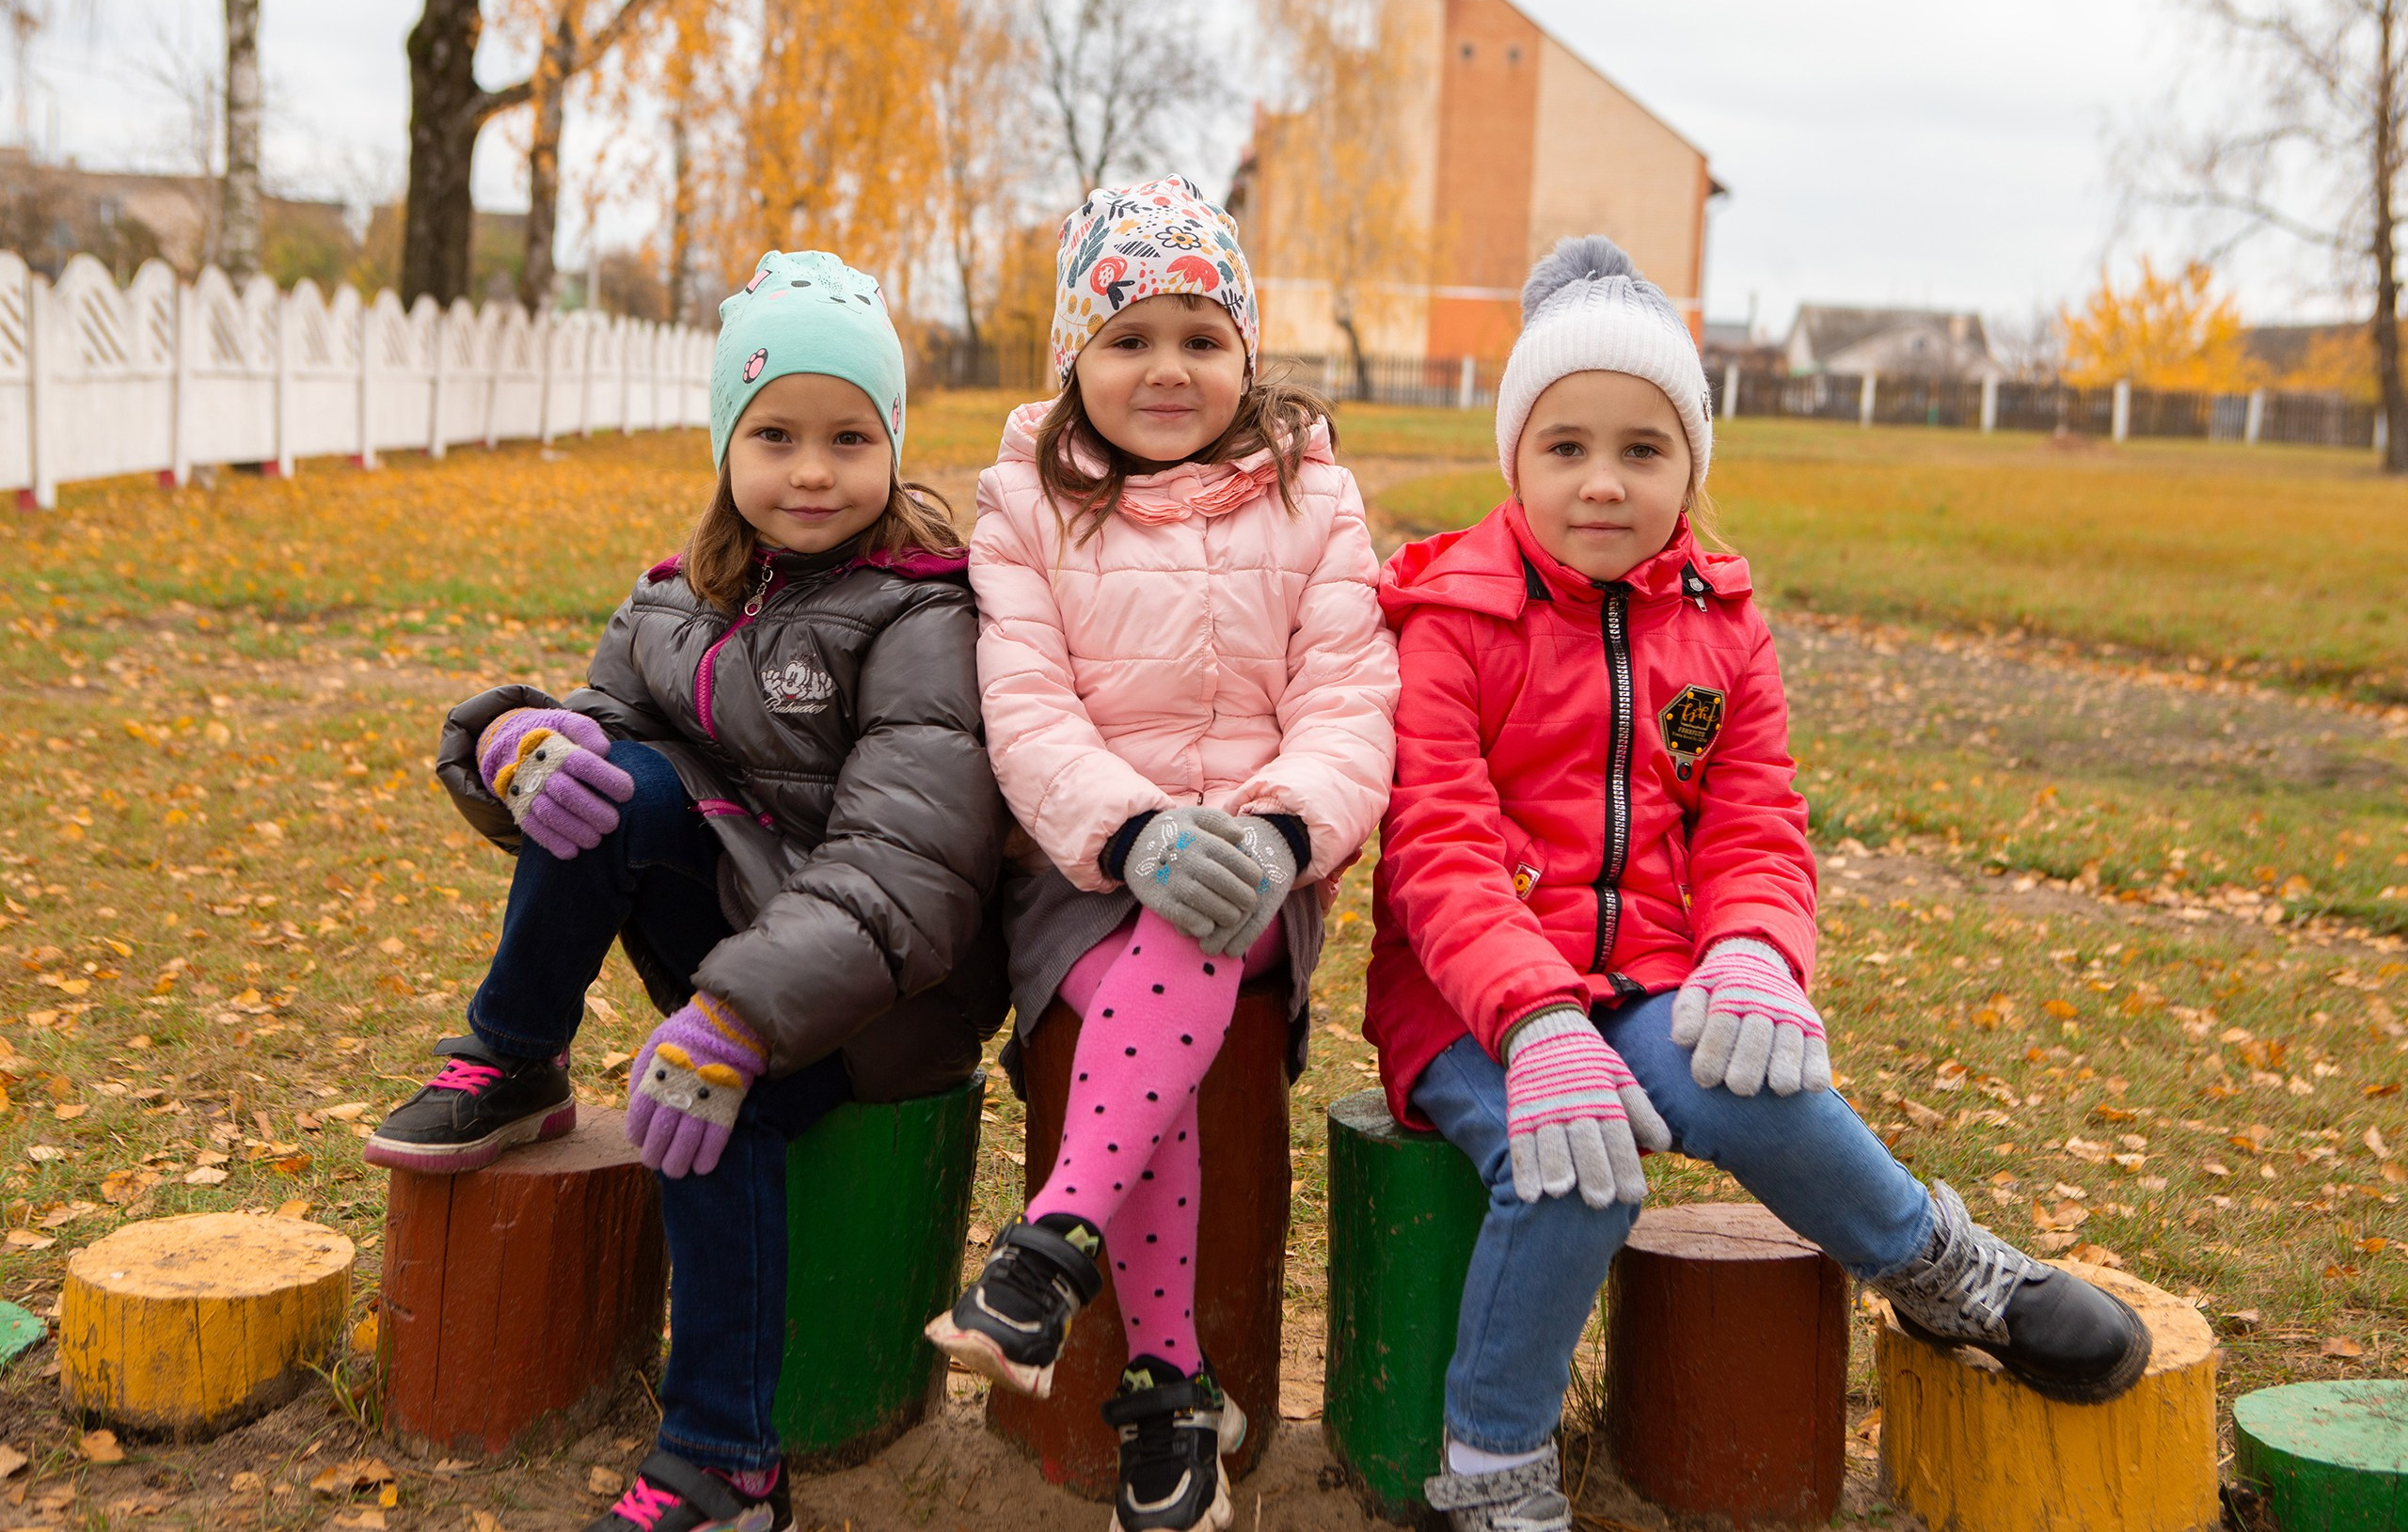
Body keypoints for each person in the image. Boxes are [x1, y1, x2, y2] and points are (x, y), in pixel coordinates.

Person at [1368, 237, 2154, 1532]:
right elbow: (1437, 850)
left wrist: (1752, 953)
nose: (1604, 484)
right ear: (1515, 456)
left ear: (1692, 465)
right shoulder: (1453, 622)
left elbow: (1755, 821)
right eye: (1566, 447)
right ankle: (1491, 1467)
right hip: (1471, 1000)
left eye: (1643, 449)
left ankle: (1936, 1265)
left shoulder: (1722, 624)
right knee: (1576, 1163)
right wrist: (1536, 1017)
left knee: (1765, 1077)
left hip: (1651, 979)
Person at [367, 249, 1008, 1532]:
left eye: (847, 436)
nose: (811, 470)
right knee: (596, 770)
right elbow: (592, 737)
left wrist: (736, 1023)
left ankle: (726, 1461)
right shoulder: (678, 599)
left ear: (892, 443)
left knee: (707, 1100)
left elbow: (909, 872)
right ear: (726, 443)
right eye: (774, 434)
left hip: (888, 999)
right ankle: (515, 1056)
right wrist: (513, 744)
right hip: (748, 927)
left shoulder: (923, 616)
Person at [924, 176, 1398, 1532]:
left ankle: (1054, 1256)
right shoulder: (1028, 507)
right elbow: (1027, 708)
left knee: (1202, 928)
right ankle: (1170, 1380)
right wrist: (1130, 833)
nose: (1167, 369)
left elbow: (1350, 697)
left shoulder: (1315, 499)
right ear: (1077, 359)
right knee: (1150, 999)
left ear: (1247, 351)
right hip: (1083, 872)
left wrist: (1281, 825)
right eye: (1128, 338)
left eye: (1200, 336)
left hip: (1259, 864)